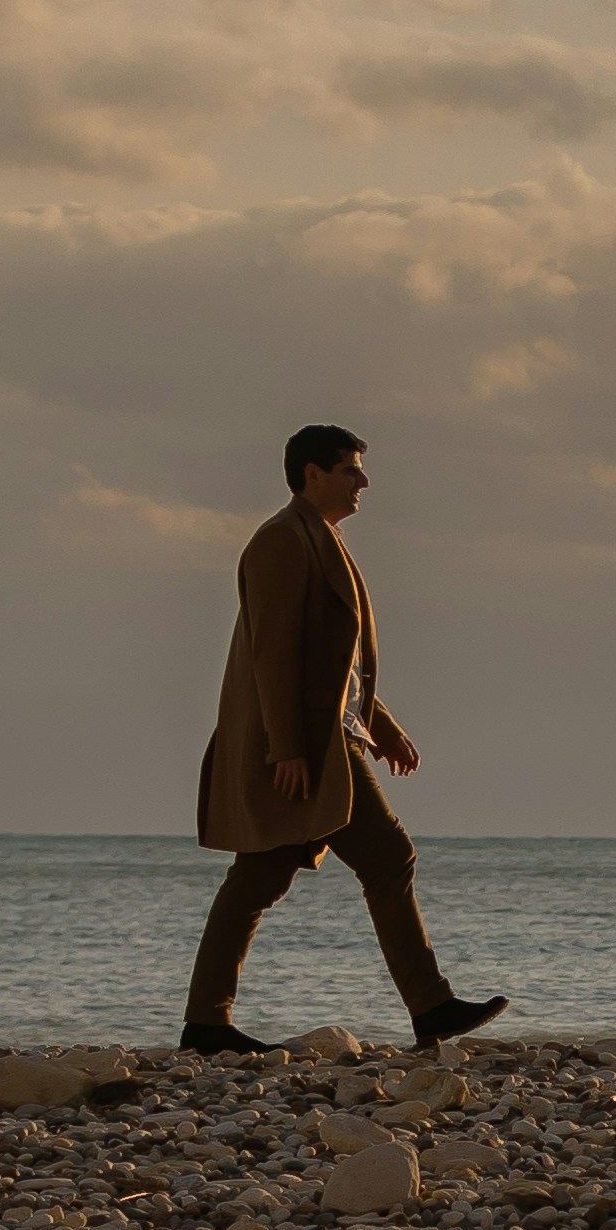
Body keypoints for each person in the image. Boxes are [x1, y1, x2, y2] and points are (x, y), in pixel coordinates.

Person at [184, 424, 506, 1054]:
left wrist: (382, 726)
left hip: (328, 739)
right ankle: (432, 1008)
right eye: (350, 470)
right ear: (312, 474)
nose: (363, 481)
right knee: (388, 857)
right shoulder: (280, 541)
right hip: (310, 748)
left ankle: (206, 1024)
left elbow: (337, 662)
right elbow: (273, 654)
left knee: (260, 876)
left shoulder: (318, 539)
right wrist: (287, 748)